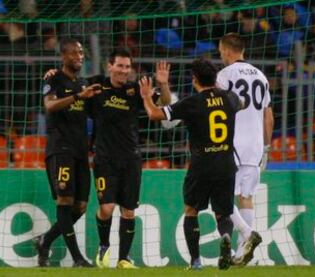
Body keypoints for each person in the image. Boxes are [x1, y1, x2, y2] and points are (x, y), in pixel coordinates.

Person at [139, 58, 243, 270]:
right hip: (226, 163)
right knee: (223, 212)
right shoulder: (230, 97)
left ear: (194, 79)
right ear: (215, 77)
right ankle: (225, 236)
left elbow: (154, 114)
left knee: (191, 210)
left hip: (201, 164)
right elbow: (242, 103)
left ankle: (196, 261)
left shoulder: (192, 103)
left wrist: (146, 98)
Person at [87, 49, 171, 269]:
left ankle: (124, 258)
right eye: (120, 66)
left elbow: (165, 103)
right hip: (104, 159)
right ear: (110, 66)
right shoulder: (97, 86)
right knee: (106, 208)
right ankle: (104, 246)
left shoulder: (135, 90)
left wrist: (162, 85)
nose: (124, 71)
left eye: (127, 67)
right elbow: (73, 87)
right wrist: (53, 75)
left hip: (131, 159)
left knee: (129, 211)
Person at [33, 38, 101, 267]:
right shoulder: (53, 78)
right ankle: (77, 258)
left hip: (81, 151)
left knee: (81, 205)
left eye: (82, 53)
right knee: (65, 198)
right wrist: (77, 97)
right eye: (75, 53)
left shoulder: (83, 83)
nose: (80, 57)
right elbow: (50, 106)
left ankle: (45, 240)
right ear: (63, 56)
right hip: (60, 148)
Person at [217, 32, 274, 266]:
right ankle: (244, 255)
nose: (221, 55)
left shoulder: (224, 75)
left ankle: (247, 235)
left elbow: (217, 109)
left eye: (221, 51)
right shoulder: (261, 76)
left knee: (220, 196)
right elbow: (268, 116)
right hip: (255, 146)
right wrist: (267, 147)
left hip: (232, 144)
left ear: (228, 51)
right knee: (246, 197)